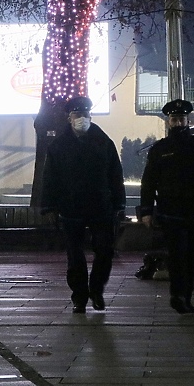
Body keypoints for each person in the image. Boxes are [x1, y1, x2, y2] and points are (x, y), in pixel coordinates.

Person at [138, 99, 194, 314]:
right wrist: (147, 211)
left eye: (181, 119)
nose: (178, 123)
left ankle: (186, 295)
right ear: (168, 122)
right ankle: (178, 296)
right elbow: (148, 182)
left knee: (193, 257)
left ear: (188, 120)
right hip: (172, 213)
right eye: (174, 119)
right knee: (177, 256)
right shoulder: (160, 149)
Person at [41, 96, 126, 314]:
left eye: (85, 114)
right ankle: (79, 297)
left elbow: (115, 175)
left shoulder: (103, 142)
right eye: (77, 115)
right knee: (75, 256)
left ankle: (96, 290)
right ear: (69, 118)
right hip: (71, 209)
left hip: (101, 208)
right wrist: (49, 207)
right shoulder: (58, 146)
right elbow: (50, 178)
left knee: (105, 251)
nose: (81, 118)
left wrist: (119, 204)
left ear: (90, 115)